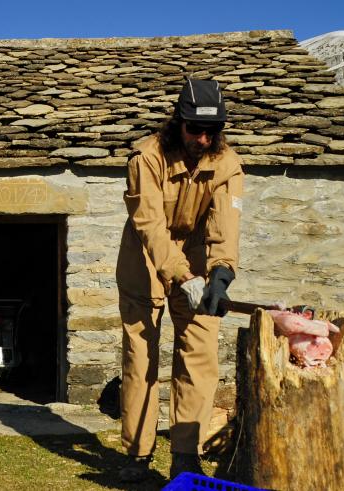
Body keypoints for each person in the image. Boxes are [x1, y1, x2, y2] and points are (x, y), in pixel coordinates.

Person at [115, 78, 244, 481]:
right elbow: (149, 224)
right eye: (195, 129)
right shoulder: (147, 157)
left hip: (196, 255)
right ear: (178, 122)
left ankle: (185, 455)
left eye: (211, 131)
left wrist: (221, 274)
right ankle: (137, 454)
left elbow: (226, 225)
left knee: (200, 356)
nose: (202, 139)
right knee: (142, 357)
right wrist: (179, 274)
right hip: (144, 257)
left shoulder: (227, 163)